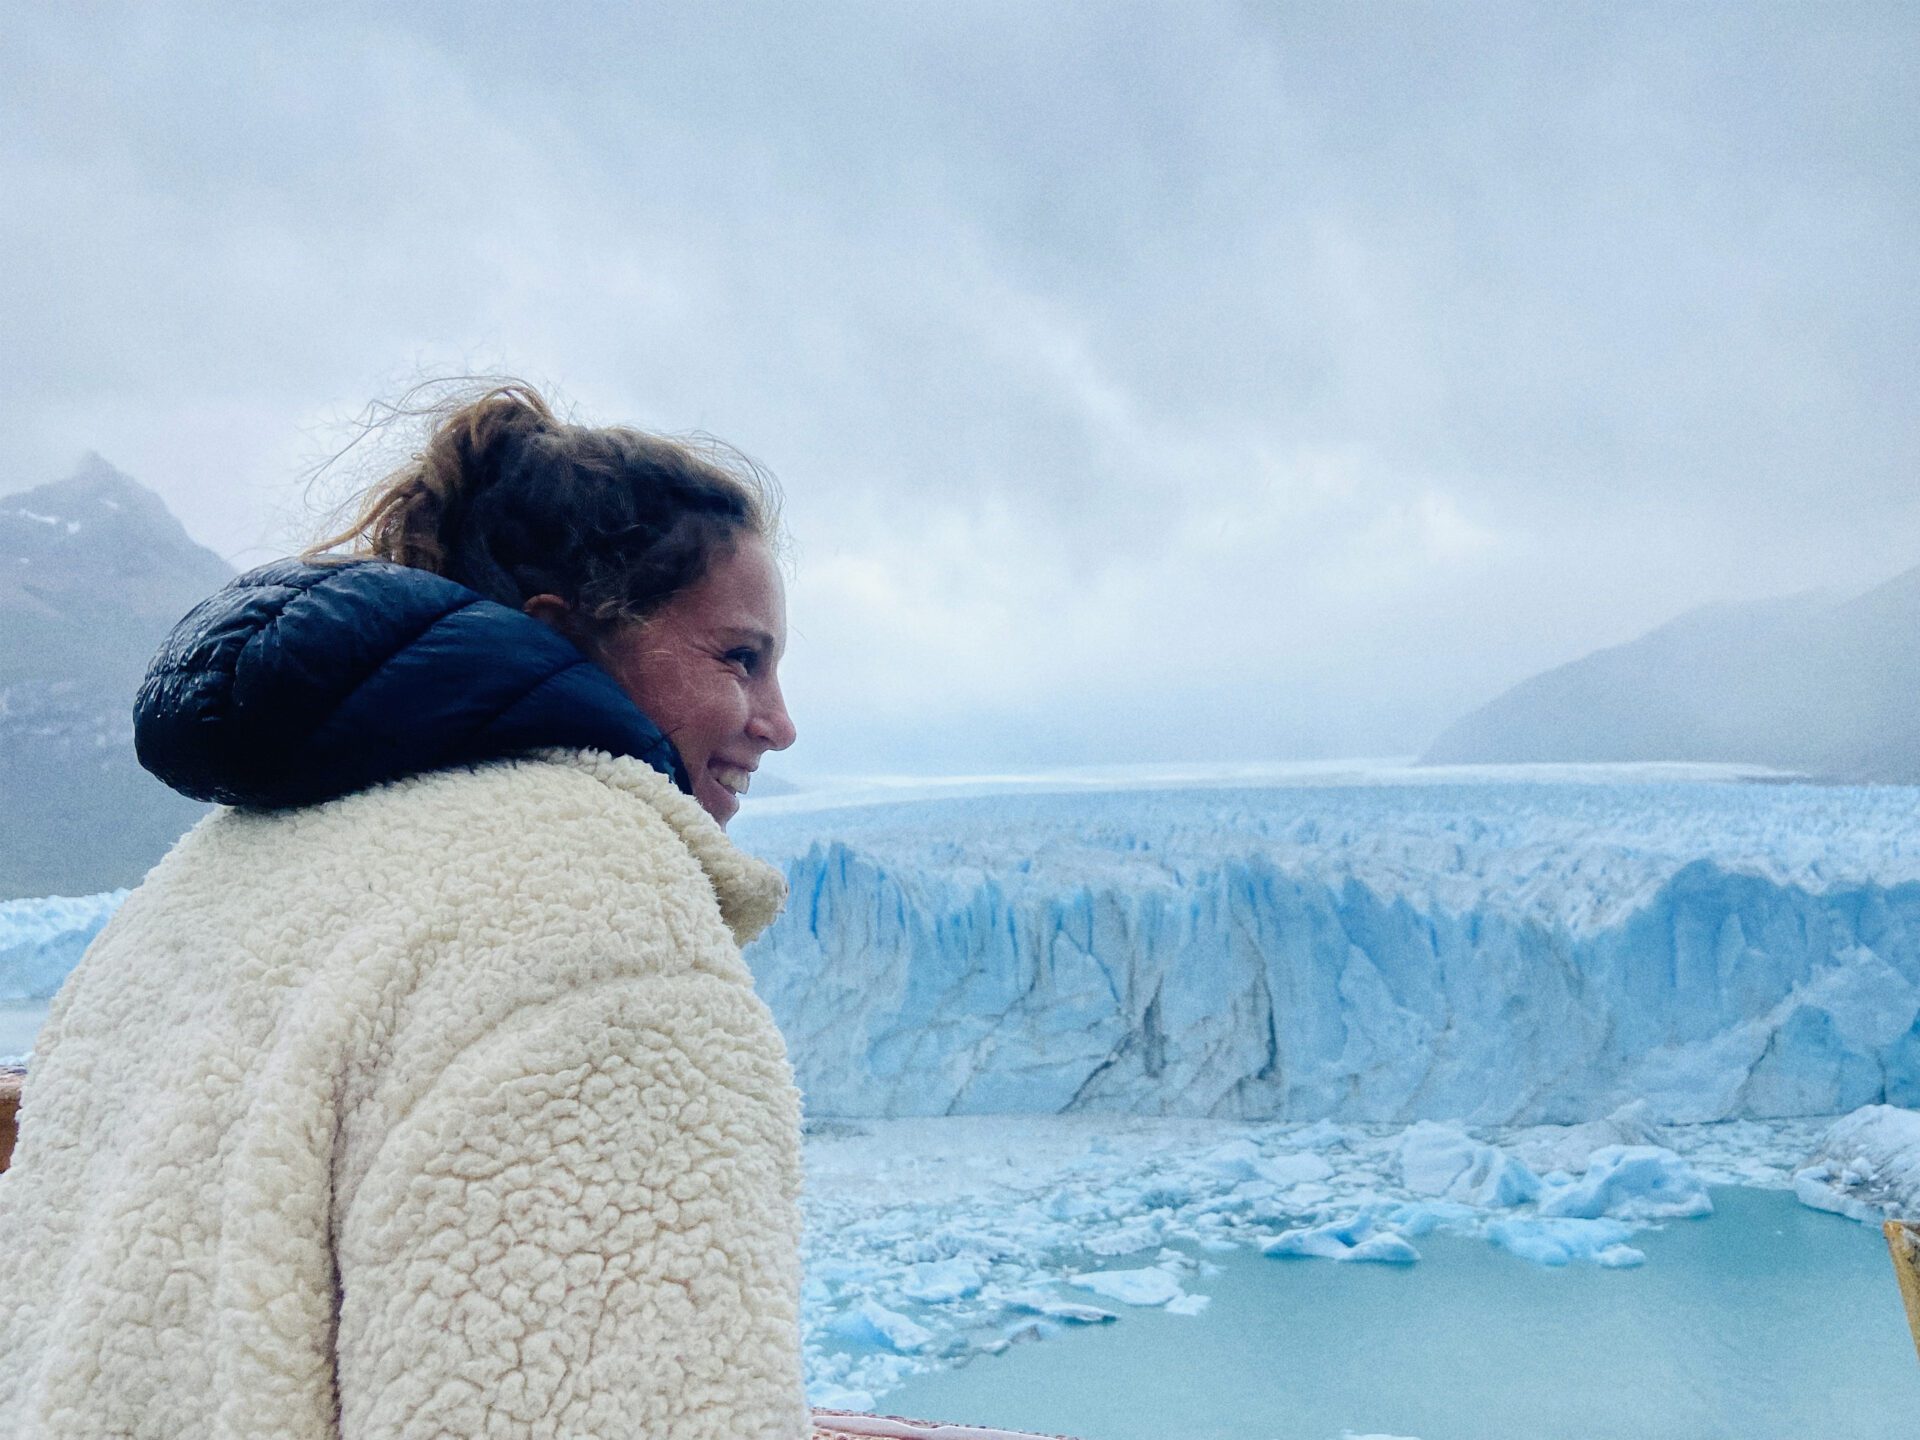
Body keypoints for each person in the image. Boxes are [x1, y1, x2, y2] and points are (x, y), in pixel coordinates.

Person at [0, 385, 811, 1439]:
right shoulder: (594, 928)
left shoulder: (220, 869)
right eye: (738, 658)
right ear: (565, 637)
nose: (780, 724)